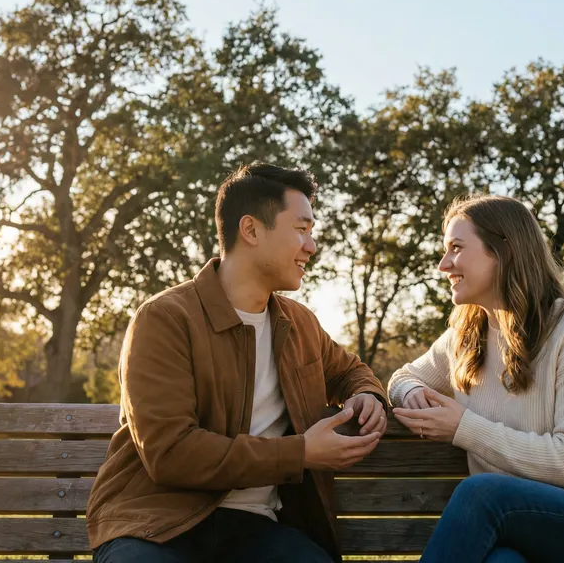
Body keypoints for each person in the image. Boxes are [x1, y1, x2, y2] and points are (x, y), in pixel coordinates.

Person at [87, 163, 388, 563]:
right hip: (156, 524)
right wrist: (299, 453)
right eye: (301, 229)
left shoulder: (299, 324)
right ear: (251, 230)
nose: (311, 245)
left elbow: (350, 370)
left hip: (257, 530)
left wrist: (367, 394)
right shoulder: (165, 318)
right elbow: (171, 452)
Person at [388, 195, 564, 563]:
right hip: (522, 530)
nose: (443, 264)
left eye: (456, 249)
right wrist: (412, 391)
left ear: (503, 251)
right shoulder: (466, 337)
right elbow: (402, 377)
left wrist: (463, 427)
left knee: (480, 493)